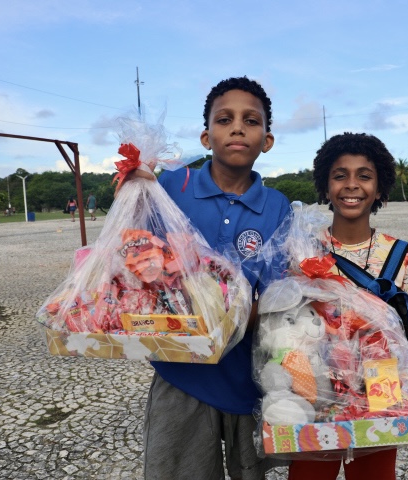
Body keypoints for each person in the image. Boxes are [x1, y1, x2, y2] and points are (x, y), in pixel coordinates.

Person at [140, 77, 291, 480]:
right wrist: (132, 192)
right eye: (225, 120)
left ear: (267, 141)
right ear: (206, 137)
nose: (237, 128)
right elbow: (135, 260)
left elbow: (276, 294)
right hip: (180, 373)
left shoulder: (277, 207)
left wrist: (224, 326)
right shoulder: (170, 185)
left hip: (247, 378)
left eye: (250, 121)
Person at [288, 132, 408, 480]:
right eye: (340, 175)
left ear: (379, 189)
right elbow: (287, 327)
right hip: (318, 389)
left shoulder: (401, 254)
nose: (352, 184)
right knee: (309, 473)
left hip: (382, 385)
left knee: (374, 473)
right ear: (326, 186)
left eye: (364, 176)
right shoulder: (303, 250)